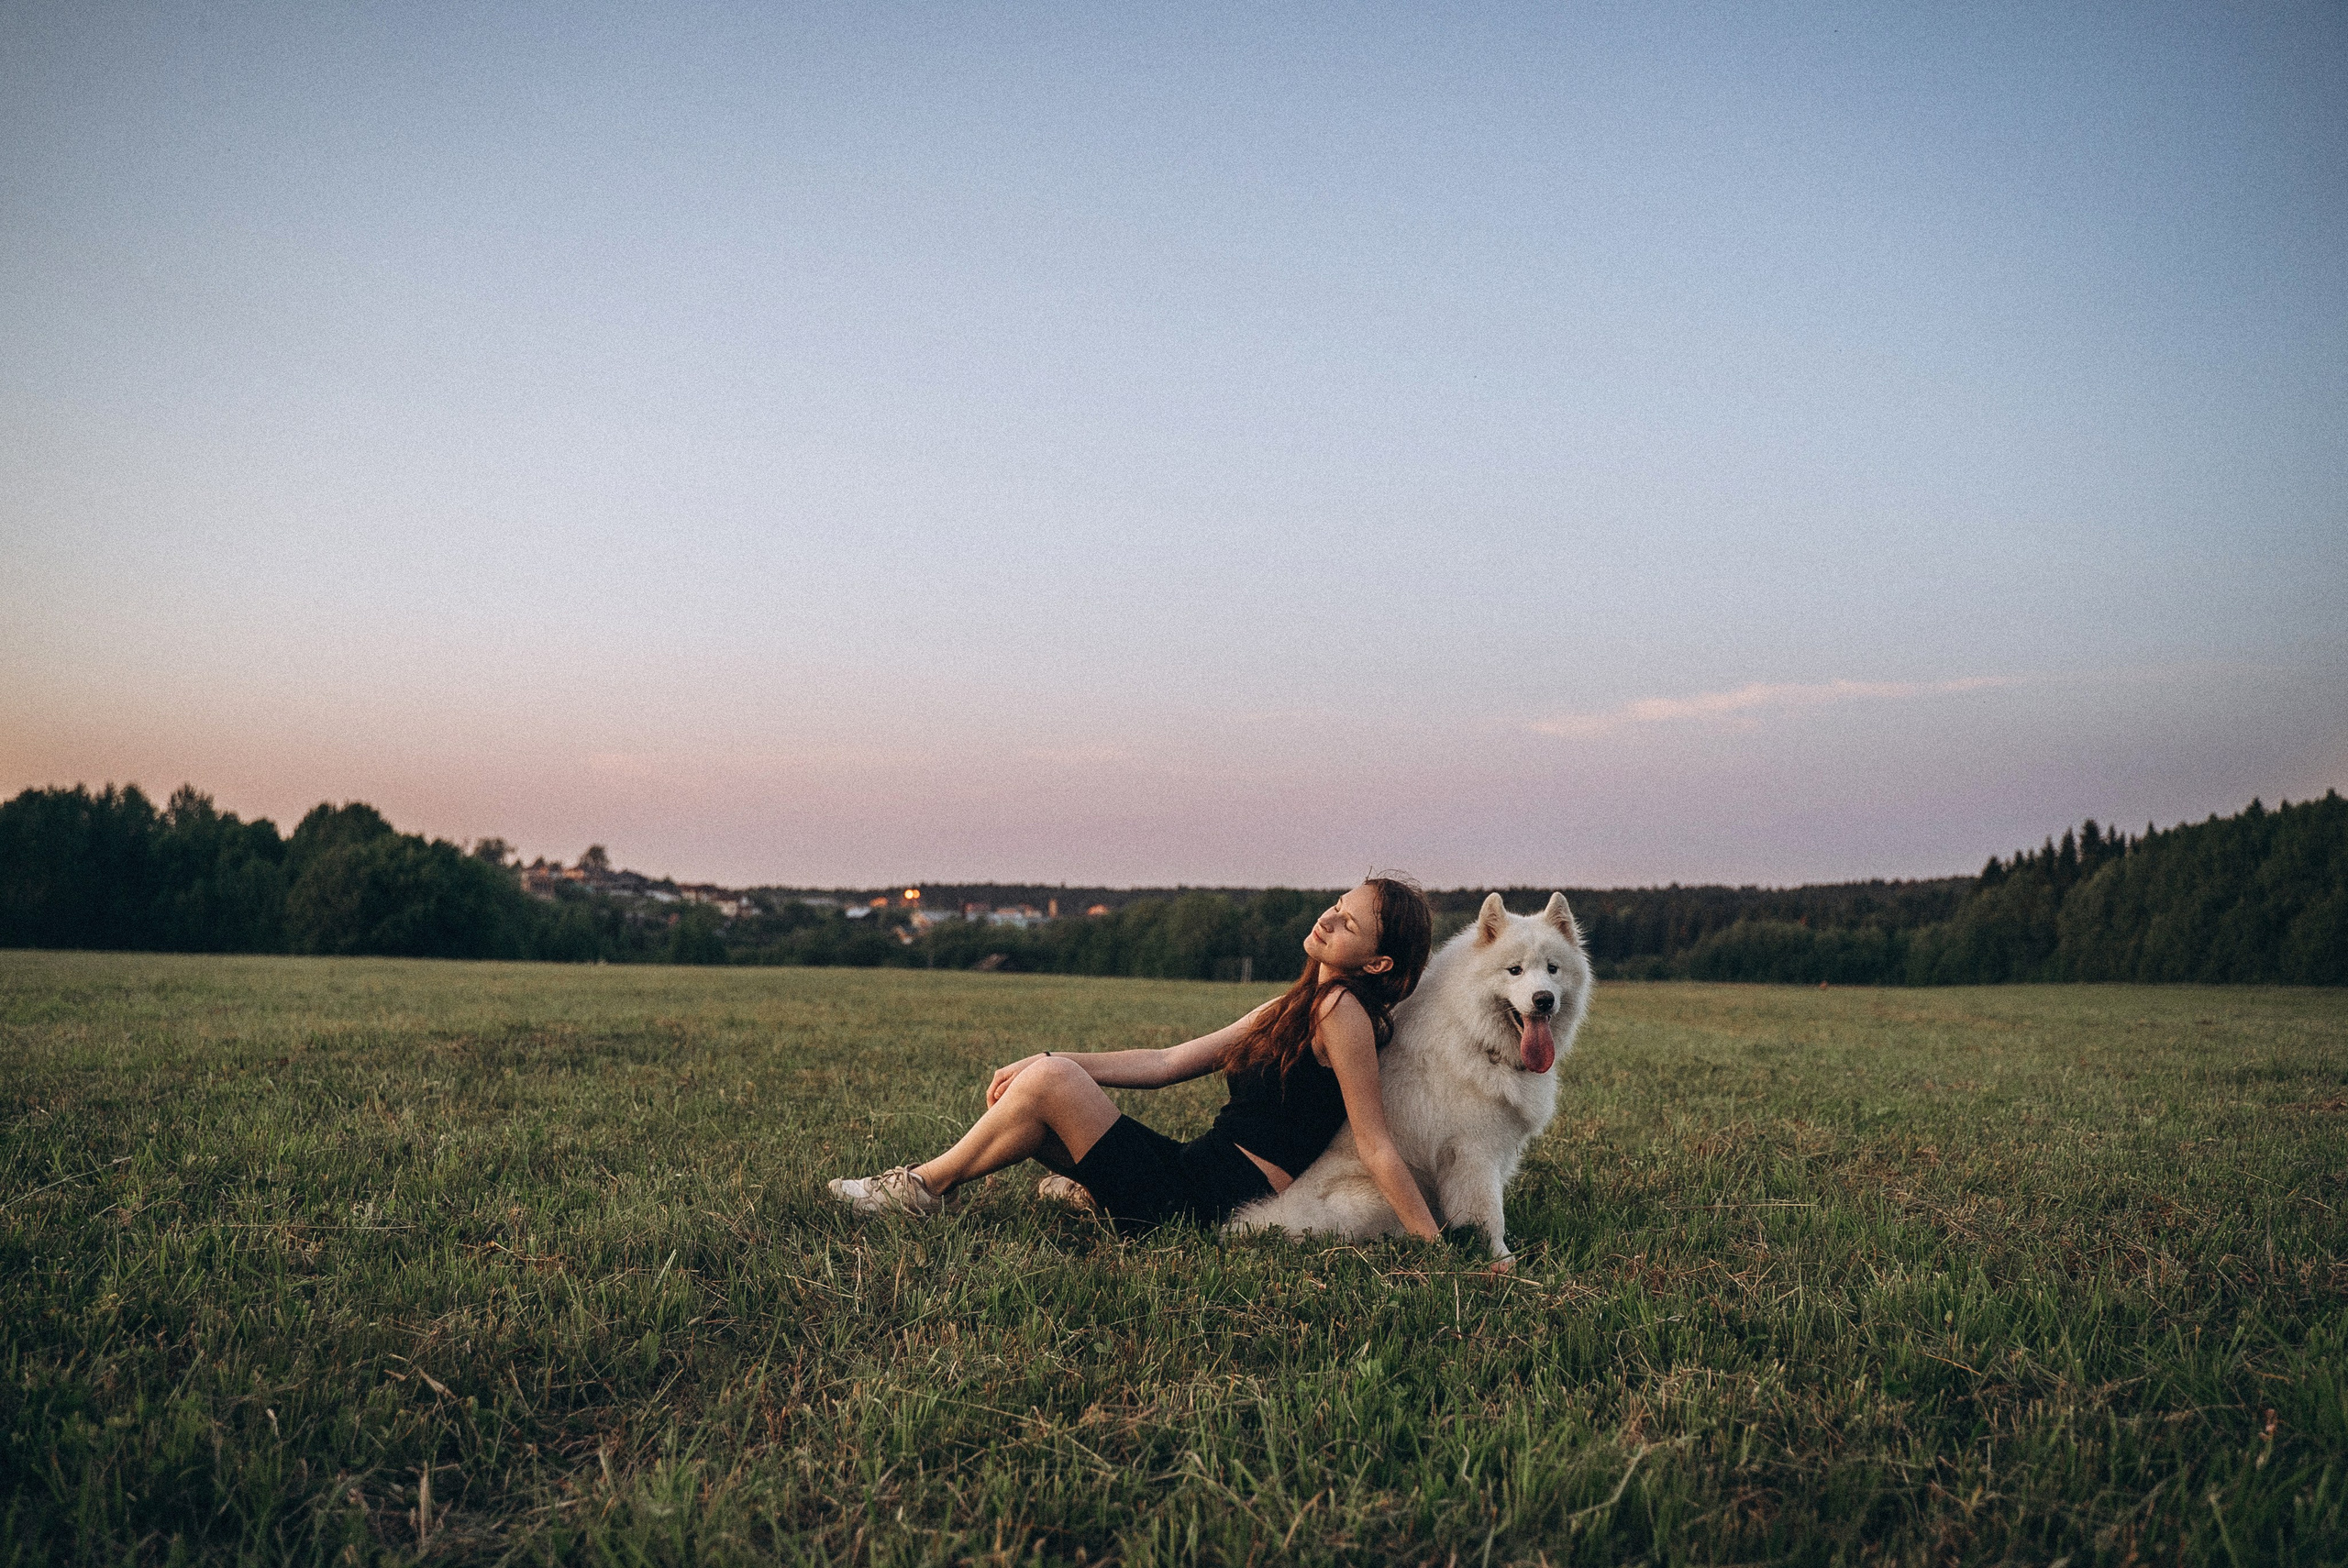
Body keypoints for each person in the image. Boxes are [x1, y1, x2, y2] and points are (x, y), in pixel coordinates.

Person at [827, 877, 1443, 1241]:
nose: (1330, 916)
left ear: (1378, 963)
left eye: (1350, 922)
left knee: (1051, 1085)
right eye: (1338, 902)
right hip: (1191, 1173)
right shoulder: (1293, 1005)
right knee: (1042, 1093)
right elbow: (1169, 1061)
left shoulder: (1343, 1013)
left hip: (1211, 1203)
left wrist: (1433, 1245)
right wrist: (1048, 1057)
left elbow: (1376, 1143)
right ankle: (1082, 1194)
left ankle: (918, 1189)